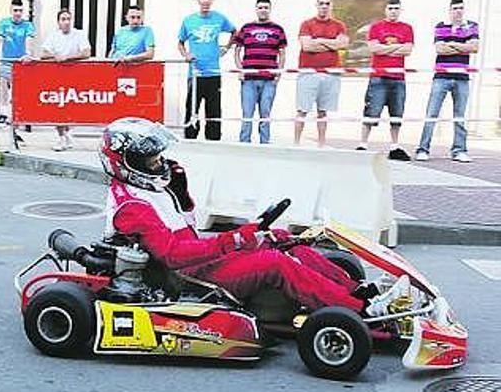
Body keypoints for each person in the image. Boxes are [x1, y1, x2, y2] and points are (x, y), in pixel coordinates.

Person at [100, 117, 418, 317]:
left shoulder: (156, 189)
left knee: (285, 243)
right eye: (153, 160)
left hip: (200, 259)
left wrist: (182, 191)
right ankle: (362, 312)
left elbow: (188, 225)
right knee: (274, 263)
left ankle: (359, 291)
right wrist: (236, 239)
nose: (161, 164)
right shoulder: (132, 207)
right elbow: (173, 255)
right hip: (189, 275)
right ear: (127, 163)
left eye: (160, 157)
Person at [416, 0, 480, 163]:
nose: (458, 11)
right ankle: (423, 149)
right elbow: (440, 49)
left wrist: (452, 44)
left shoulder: (472, 26)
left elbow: (474, 47)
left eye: (461, 8)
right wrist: (462, 47)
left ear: (463, 10)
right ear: (450, 10)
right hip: (441, 77)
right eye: (455, 8)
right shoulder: (441, 26)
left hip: (462, 78)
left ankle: (459, 150)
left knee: (459, 116)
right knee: (432, 113)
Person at [357, 0, 413, 161]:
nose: (393, 11)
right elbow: (374, 48)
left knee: (397, 113)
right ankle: (363, 144)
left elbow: (408, 49)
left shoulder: (407, 28)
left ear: (400, 10)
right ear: (385, 10)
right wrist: (396, 48)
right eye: (390, 8)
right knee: (371, 111)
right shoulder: (376, 27)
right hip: (378, 77)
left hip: (398, 78)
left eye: (396, 8)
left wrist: (386, 48)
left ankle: (394, 146)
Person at [178, 0, 236, 141]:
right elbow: (180, 43)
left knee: (213, 109)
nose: (206, 1)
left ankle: (213, 140)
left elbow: (235, 31)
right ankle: (190, 138)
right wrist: (186, 54)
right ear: (198, 0)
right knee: (192, 108)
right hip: (195, 73)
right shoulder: (189, 20)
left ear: (212, 1)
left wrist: (226, 47)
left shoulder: (219, 18)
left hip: (213, 72)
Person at [295, 0, 349, 147]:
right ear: (316, 5)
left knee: (323, 111)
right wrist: (331, 43)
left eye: (327, 4)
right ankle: (296, 143)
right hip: (308, 72)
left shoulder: (339, 25)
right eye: (321, 4)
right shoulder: (307, 24)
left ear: (331, 6)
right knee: (302, 109)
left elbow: (342, 44)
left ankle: (321, 144)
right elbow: (306, 46)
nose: (324, 7)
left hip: (330, 73)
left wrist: (318, 41)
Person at [233, 0, 287, 144]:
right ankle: (244, 143)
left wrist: (279, 73)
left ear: (270, 9)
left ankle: (265, 144)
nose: (263, 10)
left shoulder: (278, 29)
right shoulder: (246, 28)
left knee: (265, 114)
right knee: (247, 114)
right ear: (256, 9)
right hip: (249, 79)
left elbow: (282, 53)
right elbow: (237, 50)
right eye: (260, 7)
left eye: (266, 8)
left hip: (269, 79)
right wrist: (240, 70)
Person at [40, 8, 91, 151]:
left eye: (68, 19)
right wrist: (55, 56)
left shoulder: (79, 34)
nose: (66, 22)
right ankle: (61, 136)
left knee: (72, 106)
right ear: (58, 22)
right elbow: (43, 53)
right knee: (58, 107)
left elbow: (86, 52)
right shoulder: (53, 36)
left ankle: (67, 133)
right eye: (63, 19)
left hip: (75, 76)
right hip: (57, 77)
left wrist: (67, 58)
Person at [0, 0, 36, 144]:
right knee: (3, 88)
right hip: (6, 61)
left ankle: (15, 126)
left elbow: (29, 40)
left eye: (20, 11)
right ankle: (3, 114)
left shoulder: (27, 25)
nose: (18, 13)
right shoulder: (4, 23)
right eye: (15, 10)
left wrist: (28, 54)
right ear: (11, 11)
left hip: (21, 64)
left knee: (18, 95)